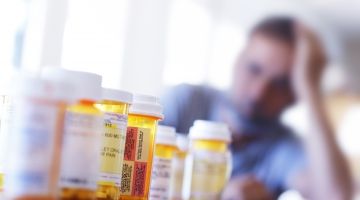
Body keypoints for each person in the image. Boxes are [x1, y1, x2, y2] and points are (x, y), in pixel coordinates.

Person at [161, 16, 352, 200]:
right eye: (254, 69)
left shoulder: (284, 147)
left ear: (294, 95)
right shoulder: (186, 101)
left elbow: (336, 195)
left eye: (280, 84)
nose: (258, 93)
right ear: (237, 60)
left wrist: (311, 90)